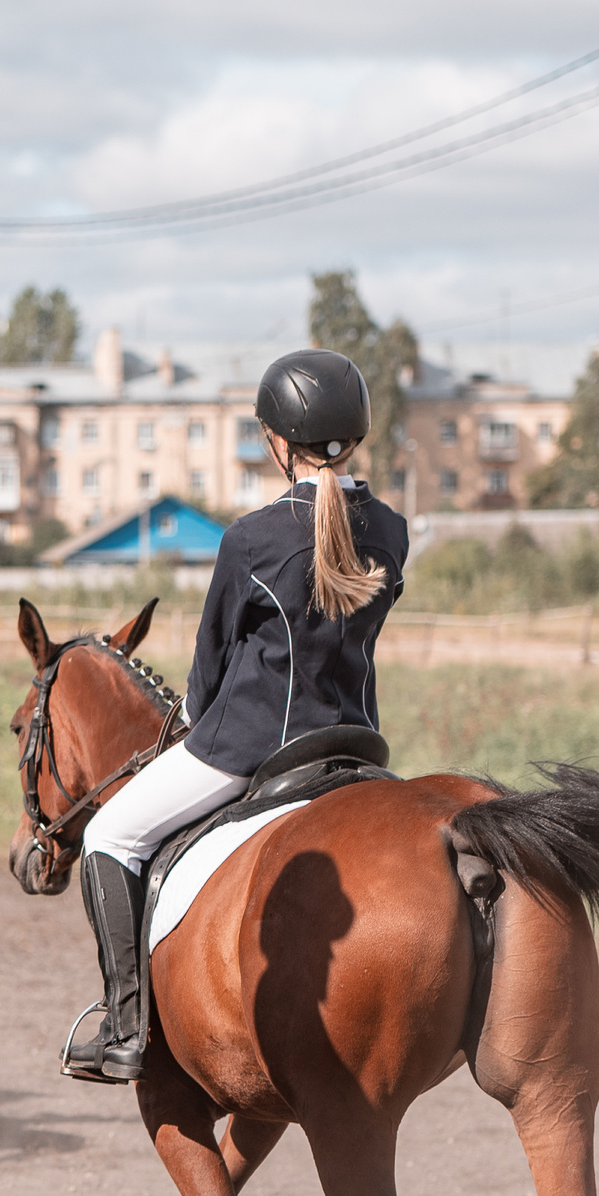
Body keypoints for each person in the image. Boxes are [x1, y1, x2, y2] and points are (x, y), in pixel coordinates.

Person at [66, 349, 407, 1083]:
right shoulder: (392, 530)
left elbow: (210, 668)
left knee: (108, 832)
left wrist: (186, 718)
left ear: (278, 441)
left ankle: (125, 1027)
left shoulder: (251, 538)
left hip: (251, 748)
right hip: (357, 742)